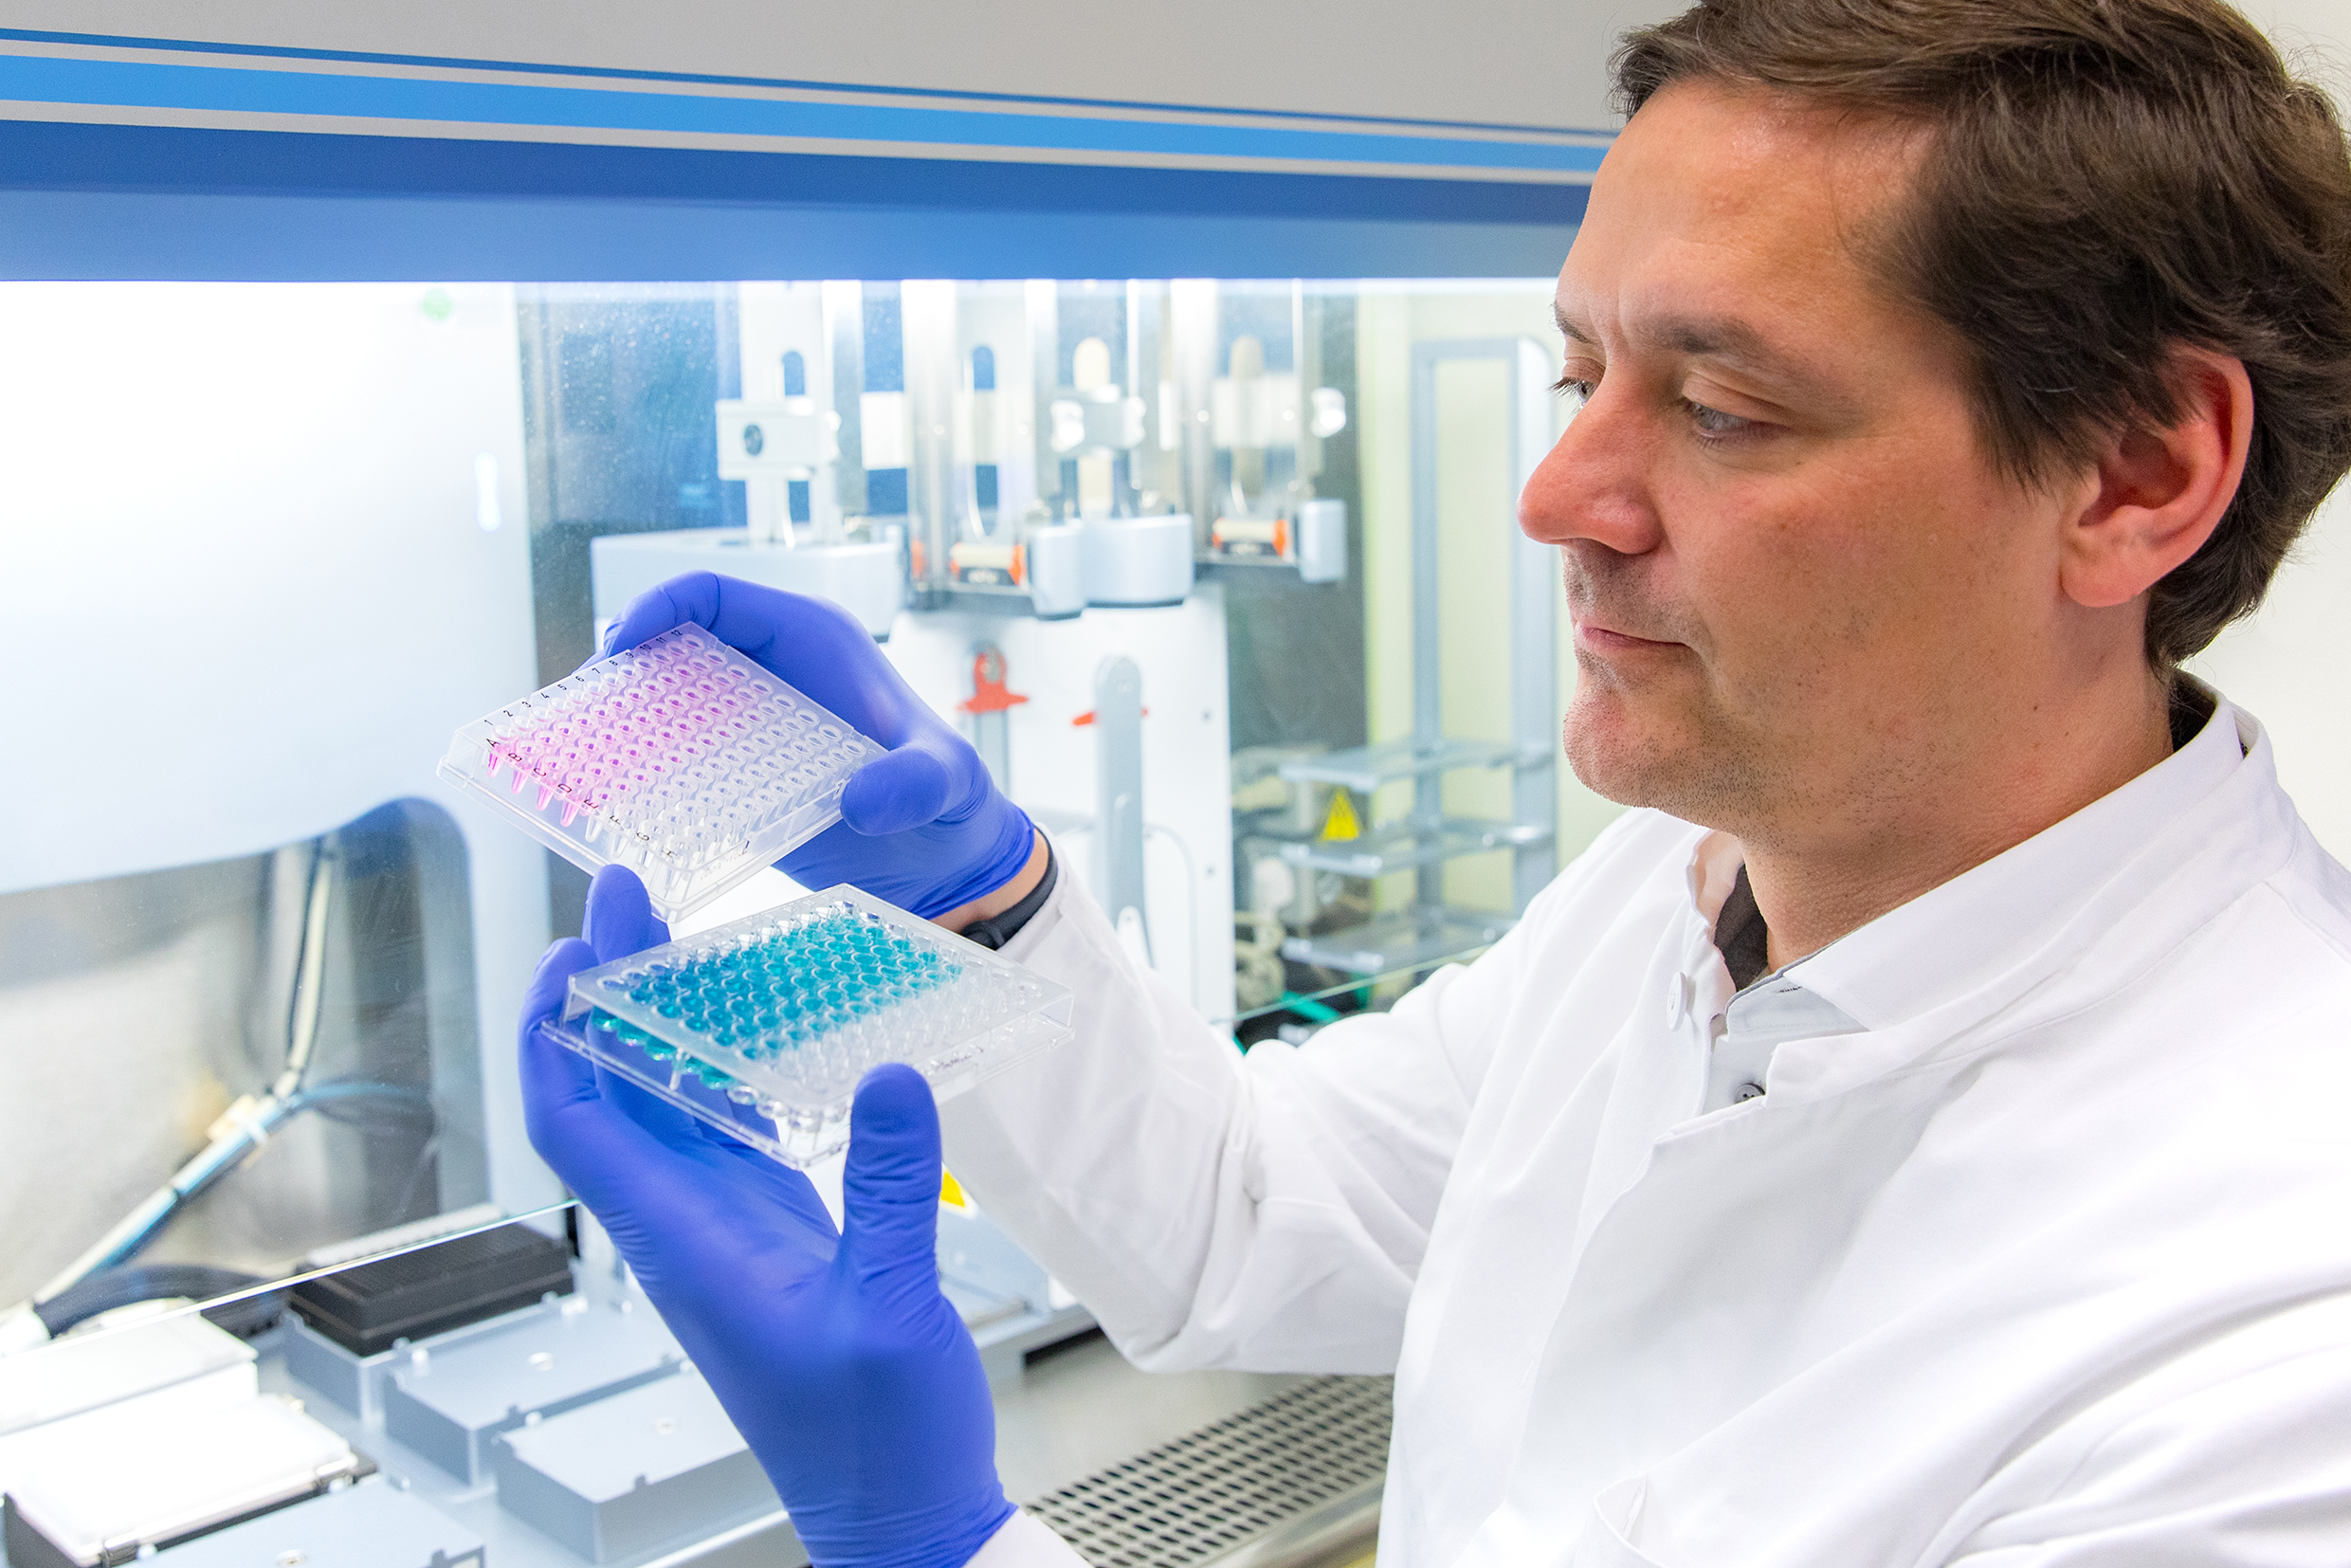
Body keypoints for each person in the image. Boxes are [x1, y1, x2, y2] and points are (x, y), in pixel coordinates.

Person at [519, 0, 2351, 1561]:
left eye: (1721, 408)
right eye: (1581, 373)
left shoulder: (2278, 1337)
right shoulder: (1684, 896)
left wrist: (945, 1543)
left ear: (2134, 475)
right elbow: (1245, 1209)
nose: (1559, 497)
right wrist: (980, 900)